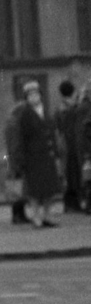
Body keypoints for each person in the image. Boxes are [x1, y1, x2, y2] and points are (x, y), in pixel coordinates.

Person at [6, 80, 60, 228]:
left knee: (50, 189)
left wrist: (56, 153)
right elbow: (20, 139)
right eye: (30, 95)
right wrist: (19, 160)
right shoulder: (24, 115)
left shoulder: (45, 111)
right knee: (34, 191)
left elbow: (52, 133)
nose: (33, 97)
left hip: (47, 156)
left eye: (35, 94)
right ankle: (36, 216)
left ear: (40, 95)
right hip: (33, 157)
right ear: (26, 98)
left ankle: (47, 215)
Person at [54, 80, 84, 213]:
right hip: (70, 144)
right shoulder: (70, 109)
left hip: (64, 143)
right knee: (72, 173)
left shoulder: (61, 108)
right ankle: (72, 203)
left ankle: (71, 203)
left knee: (69, 173)